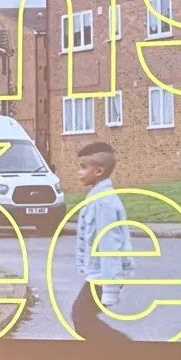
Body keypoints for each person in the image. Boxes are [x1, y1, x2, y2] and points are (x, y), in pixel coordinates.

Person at [72, 142, 135, 341]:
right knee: (82, 317)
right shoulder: (97, 198)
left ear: (98, 171)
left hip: (103, 275)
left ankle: (128, 352)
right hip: (98, 274)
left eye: (83, 167)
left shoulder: (103, 202)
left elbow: (110, 245)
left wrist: (110, 288)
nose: (78, 173)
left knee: (81, 317)